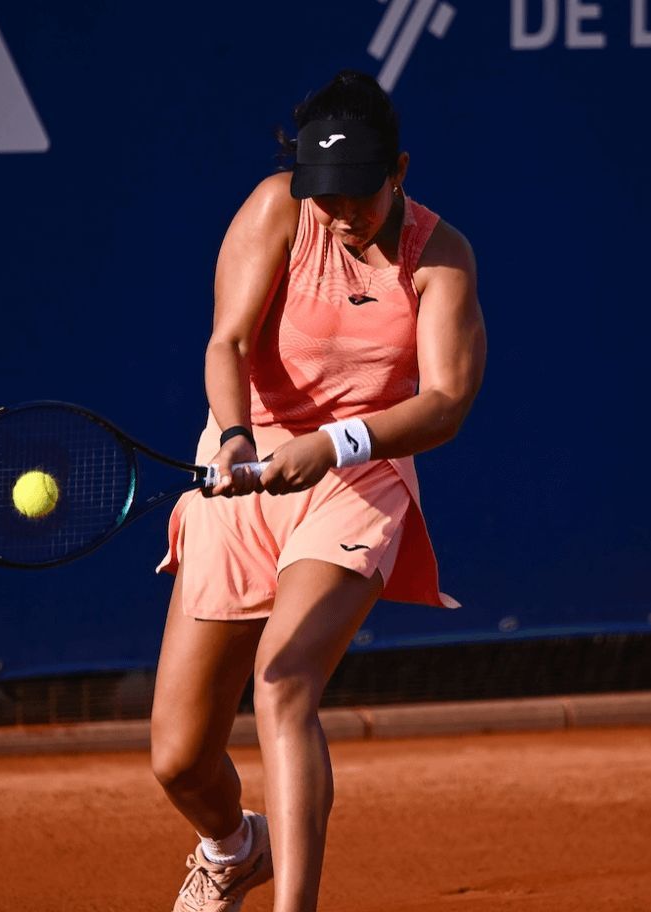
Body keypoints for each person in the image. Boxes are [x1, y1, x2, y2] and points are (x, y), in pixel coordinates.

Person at [151, 70, 487, 912]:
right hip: (245, 467)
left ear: (400, 170)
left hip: (359, 473)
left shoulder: (441, 260)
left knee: (284, 676)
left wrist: (337, 441)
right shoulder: (277, 210)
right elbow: (226, 342)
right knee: (179, 758)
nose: (341, 215)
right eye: (325, 197)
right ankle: (234, 847)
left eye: (361, 196)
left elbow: (444, 404)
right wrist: (235, 440)